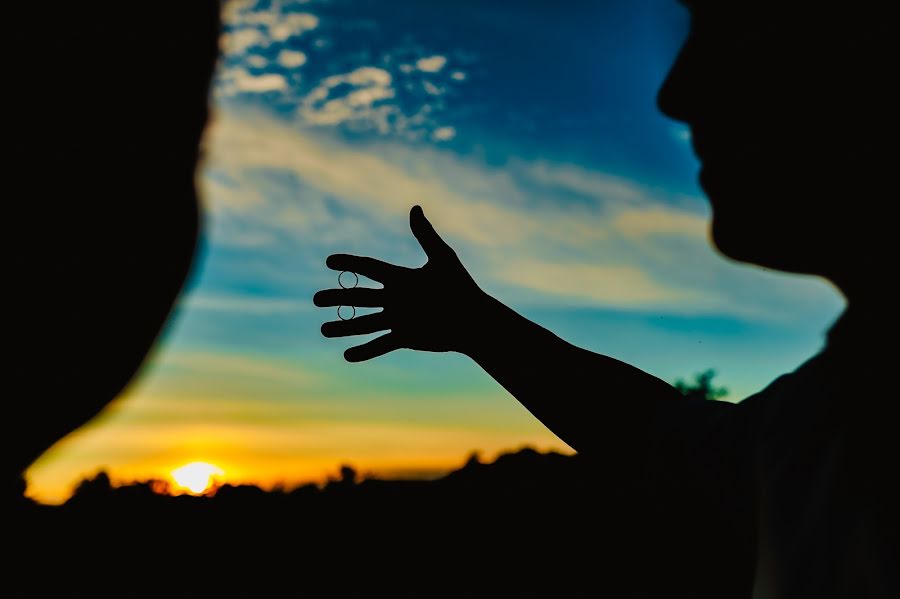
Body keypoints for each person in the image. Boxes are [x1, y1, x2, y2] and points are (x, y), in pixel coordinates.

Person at [314, 3, 896, 597]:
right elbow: (668, 443)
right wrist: (475, 325)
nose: (676, 94)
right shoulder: (836, 413)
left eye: (733, 35)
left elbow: (674, 449)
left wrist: (477, 326)